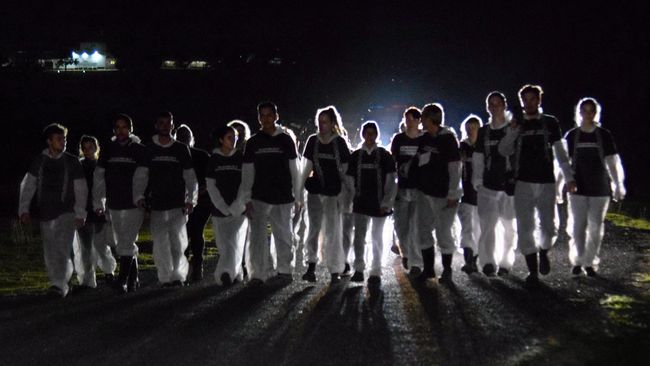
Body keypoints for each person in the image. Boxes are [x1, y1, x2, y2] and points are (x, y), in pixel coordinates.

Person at [498, 85, 574, 286]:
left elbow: (560, 152)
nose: (529, 103)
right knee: (525, 227)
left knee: (549, 226)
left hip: (546, 182)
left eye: (533, 99)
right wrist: (513, 131)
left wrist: (569, 178)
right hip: (522, 181)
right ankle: (532, 271)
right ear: (521, 101)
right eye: (526, 100)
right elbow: (504, 150)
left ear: (539, 100)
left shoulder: (550, 122)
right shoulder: (516, 123)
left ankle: (544, 251)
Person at [19, 123, 87, 298]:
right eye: (59, 139)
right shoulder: (39, 161)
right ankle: (59, 281)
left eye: (64, 139)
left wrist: (80, 212)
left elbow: (81, 188)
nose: (63, 142)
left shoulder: (72, 161)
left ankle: (59, 284)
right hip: (45, 212)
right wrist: (24, 209)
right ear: (49, 141)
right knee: (50, 249)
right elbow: (28, 186)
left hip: (67, 211)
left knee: (62, 247)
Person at [133, 111, 198, 287]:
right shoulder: (149, 149)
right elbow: (141, 176)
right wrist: (139, 196)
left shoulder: (181, 149)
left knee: (178, 242)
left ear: (172, 125)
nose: (164, 126)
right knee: (160, 243)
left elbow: (190, 177)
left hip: (178, 204)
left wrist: (191, 199)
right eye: (161, 123)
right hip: (157, 204)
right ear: (156, 126)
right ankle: (164, 277)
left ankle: (178, 276)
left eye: (168, 123)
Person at [240, 102, 301, 285]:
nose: (266, 119)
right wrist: (246, 198)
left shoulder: (286, 140)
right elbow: (247, 172)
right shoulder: (253, 142)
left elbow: (295, 169)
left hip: (282, 196)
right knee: (257, 237)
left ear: (276, 116)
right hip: (259, 196)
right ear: (259, 118)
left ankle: (284, 270)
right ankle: (258, 273)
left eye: (269, 115)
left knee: (284, 236)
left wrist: (297, 196)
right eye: (262, 115)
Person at [565, 97, 625, 276]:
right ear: (580, 113)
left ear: (596, 113)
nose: (588, 114)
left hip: (600, 189)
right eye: (585, 110)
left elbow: (613, 162)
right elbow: (562, 163)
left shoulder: (604, 135)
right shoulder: (572, 135)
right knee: (577, 226)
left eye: (592, 110)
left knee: (595, 227)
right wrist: (561, 183)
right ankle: (577, 260)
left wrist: (618, 184)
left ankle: (590, 263)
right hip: (577, 188)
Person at [93, 114, 146, 293]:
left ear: (130, 129)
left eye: (124, 127)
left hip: (133, 203)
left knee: (127, 239)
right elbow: (99, 177)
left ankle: (122, 280)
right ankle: (134, 278)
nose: (121, 130)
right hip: (114, 203)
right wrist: (99, 201)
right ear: (114, 130)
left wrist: (142, 197)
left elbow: (145, 176)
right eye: (118, 127)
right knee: (121, 240)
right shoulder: (108, 149)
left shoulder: (139, 150)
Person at [300, 106, 351, 283]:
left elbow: (345, 172)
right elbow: (306, 168)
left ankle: (335, 269)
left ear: (332, 123)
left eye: (325, 122)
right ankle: (311, 266)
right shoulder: (313, 140)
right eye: (319, 122)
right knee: (313, 230)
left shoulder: (340, 143)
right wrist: (299, 192)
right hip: (314, 192)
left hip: (333, 193)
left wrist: (348, 196)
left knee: (333, 231)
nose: (322, 125)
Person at [415, 103, 462, 284]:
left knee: (443, 232)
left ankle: (447, 269)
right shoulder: (425, 138)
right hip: (424, 191)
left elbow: (455, 167)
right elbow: (420, 160)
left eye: (424, 118)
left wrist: (453, 192)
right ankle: (428, 269)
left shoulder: (448, 139)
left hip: (443, 193)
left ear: (430, 119)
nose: (422, 122)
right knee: (424, 230)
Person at [346, 121, 397, 284]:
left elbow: (391, 181)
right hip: (360, 203)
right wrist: (353, 197)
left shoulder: (384, 155)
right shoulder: (355, 156)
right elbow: (348, 180)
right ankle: (359, 268)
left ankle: (375, 270)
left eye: (372, 133)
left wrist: (387, 202)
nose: (369, 136)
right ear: (363, 135)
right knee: (359, 237)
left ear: (377, 135)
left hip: (379, 203)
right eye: (367, 133)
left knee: (377, 237)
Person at [472, 92, 517, 277]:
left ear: (504, 106)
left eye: (498, 104)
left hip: (509, 185)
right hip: (488, 185)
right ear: (487, 107)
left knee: (509, 227)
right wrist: (478, 180)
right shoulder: (484, 131)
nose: (494, 107)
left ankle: (506, 261)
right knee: (487, 226)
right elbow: (478, 157)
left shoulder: (513, 128)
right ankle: (488, 262)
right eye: (491, 104)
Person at [206, 125, 248, 285]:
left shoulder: (240, 158)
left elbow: (245, 183)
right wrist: (222, 206)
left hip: (239, 209)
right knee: (224, 244)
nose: (234, 140)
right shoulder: (214, 159)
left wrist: (237, 205)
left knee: (235, 242)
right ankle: (234, 273)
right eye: (230, 137)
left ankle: (224, 273)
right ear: (221, 140)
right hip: (219, 210)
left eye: (235, 137)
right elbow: (211, 185)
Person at [74, 135, 116, 288]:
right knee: (85, 248)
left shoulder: (101, 166)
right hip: (82, 210)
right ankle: (88, 279)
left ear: (96, 148)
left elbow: (108, 189)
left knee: (100, 245)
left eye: (90, 147)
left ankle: (109, 271)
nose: (87, 151)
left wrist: (107, 209)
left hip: (99, 210)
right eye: (84, 148)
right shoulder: (78, 166)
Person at [175, 124, 211, 283]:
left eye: (186, 137)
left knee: (196, 231)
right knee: (183, 234)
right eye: (180, 137)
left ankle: (197, 264)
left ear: (191, 139)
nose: (183, 140)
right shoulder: (174, 155)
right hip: (179, 201)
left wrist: (198, 192)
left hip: (201, 200)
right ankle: (185, 266)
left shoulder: (202, 156)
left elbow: (210, 178)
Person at [390, 107, 423, 276]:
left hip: (419, 187)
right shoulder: (399, 139)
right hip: (402, 187)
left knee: (415, 226)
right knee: (401, 225)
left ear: (418, 120)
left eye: (411, 119)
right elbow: (392, 161)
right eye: (406, 118)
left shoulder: (424, 139)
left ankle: (416, 262)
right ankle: (406, 253)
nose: (408, 122)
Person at [458, 115, 482, 275]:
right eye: (469, 128)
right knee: (467, 228)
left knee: (480, 229)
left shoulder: (483, 147)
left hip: (482, 195)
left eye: (474, 128)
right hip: (465, 195)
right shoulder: (462, 146)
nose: (471, 131)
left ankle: (476, 258)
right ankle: (469, 260)